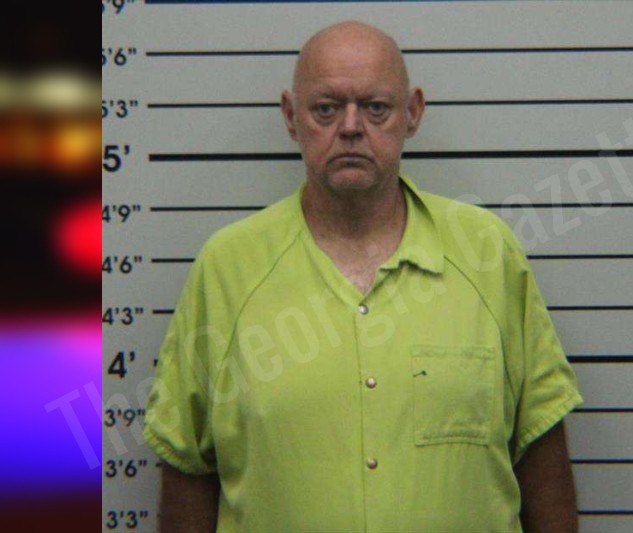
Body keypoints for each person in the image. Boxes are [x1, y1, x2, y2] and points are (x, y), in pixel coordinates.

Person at [143, 21, 583, 532]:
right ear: (290, 116)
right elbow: (187, 468)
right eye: (326, 109)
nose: (351, 127)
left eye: (375, 108)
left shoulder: (487, 254)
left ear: (412, 112)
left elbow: (542, 461)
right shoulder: (228, 268)